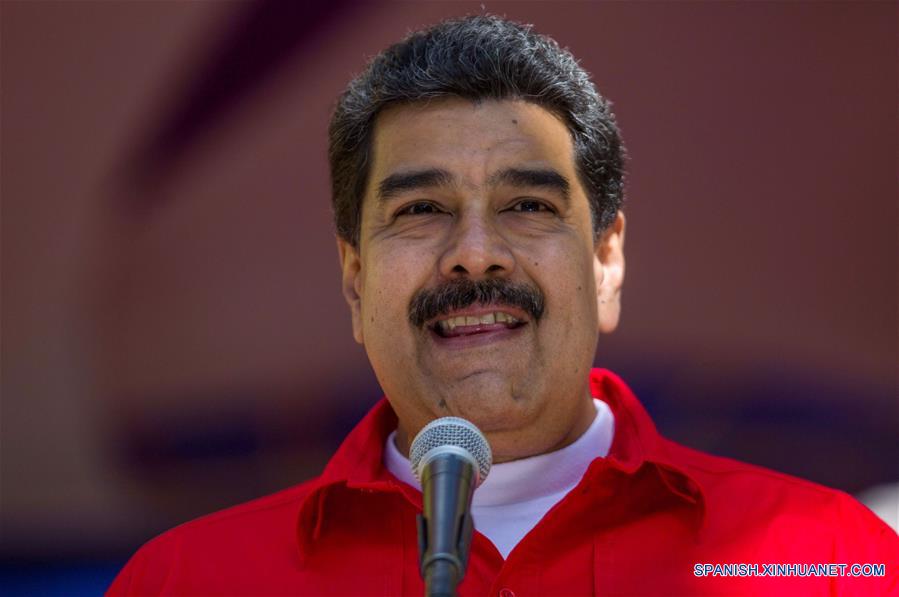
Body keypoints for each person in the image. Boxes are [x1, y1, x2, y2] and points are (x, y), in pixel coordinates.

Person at [108, 15, 897, 595]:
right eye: (419, 209)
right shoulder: (185, 578)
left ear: (606, 261)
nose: (474, 251)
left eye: (527, 205)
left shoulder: (828, 555)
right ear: (354, 279)